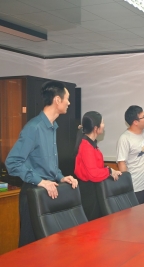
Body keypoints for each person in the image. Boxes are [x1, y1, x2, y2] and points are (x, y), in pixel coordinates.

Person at [5, 80, 78, 247]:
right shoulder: (34, 127)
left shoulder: (52, 126)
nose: (69, 102)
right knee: (31, 247)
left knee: (48, 246)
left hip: (49, 191)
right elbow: (13, 162)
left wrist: (60, 177)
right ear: (57, 100)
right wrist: (40, 181)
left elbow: (47, 163)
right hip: (34, 193)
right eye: (67, 98)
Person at [74, 111, 121, 220]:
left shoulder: (90, 143)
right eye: (102, 122)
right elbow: (93, 174)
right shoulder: (86, 146)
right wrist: (109, 171)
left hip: (94, 189)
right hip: (89, 191)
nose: (104, 125)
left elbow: (97, 166)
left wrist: (110, 170)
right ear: (96, 128)